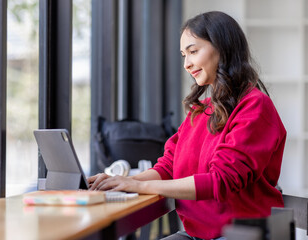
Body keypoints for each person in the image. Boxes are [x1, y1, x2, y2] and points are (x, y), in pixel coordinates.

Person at [88, 11, 286, 240]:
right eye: (184, 55)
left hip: (242, 234)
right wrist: (121, 182)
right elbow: (167, 168)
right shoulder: (199, 110)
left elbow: (220, 182)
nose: (187, 64)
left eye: (193, 51)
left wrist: (137, 186)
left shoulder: (255, 106)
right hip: (197, 234)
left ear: (224, 48)